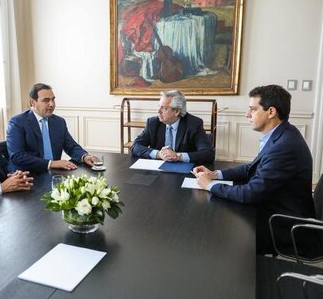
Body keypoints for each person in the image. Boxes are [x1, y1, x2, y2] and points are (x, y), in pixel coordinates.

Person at [193, 85, 315, 254]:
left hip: (281, 225)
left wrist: (210, 185)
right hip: (272, 208)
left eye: (252, 109)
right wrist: (215, 174)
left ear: (271, 112)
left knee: (217, 233)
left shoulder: (285, 146)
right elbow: (252, 167)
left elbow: (251, 193)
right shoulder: (282, 134)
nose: (246, 114)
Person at [6, 83, 97, 173]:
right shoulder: (17, 122)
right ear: (33, 102)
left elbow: (71, 146)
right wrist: (51, 163)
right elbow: (17, 156)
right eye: (46, 100)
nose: (51, 104)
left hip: (53, 172)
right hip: (27, 175)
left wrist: (84, 156)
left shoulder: (59, 122)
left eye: (53, 99)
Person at [131, 90, 215, 164]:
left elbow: (208, 154)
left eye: (164, 108)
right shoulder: (153, 123)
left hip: (184, 171)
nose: (158, 111)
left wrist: (177, 156)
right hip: (157, 171)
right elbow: (135, 146)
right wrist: (159, 154)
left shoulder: (194, 124)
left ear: (177, 111)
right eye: (159, 106)